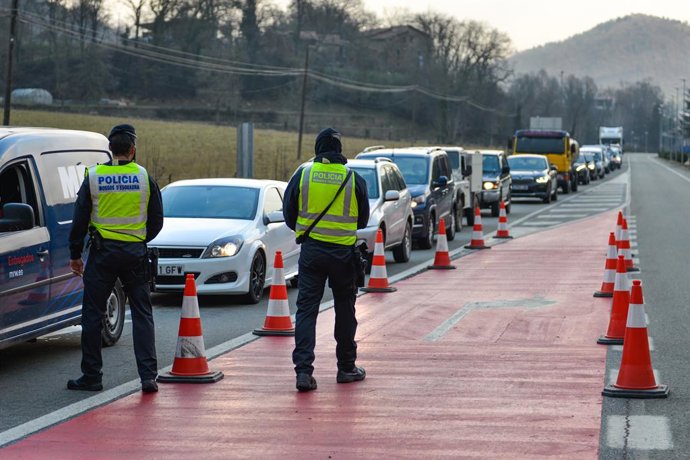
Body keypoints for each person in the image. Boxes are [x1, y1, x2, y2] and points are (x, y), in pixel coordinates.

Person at [67, 124, 164, 393]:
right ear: (133, 149)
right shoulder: (144, 177)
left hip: (102, 255)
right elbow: (157, 220)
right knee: (143, 314)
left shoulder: (94, 177)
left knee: (93, 315)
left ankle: (92, 377)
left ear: (111, 150)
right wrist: (139, 238)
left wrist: (75, 254)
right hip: (135, 254)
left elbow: (79, 220)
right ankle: (148, 377)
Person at [283, 128, 370, 392]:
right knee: (345, 310)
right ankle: (346, 368)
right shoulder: (353, 178)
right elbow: (363, 219)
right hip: (343, 254)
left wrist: (308, 230)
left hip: (312, 253)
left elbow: (289, 213)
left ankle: (303, 373)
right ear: (340, 150)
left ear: (318, 149)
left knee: (306, 310)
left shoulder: (304, 174)